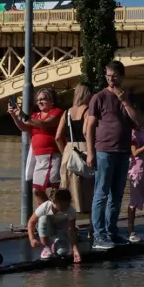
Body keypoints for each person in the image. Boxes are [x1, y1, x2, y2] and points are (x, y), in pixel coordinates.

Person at [84, 61, 136, 250]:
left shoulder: (128, 97)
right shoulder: (98, 97)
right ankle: (99, 235)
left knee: (117, 195)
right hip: (104, 150)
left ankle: (112, 231)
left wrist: (124, 100)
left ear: (122, 76)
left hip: (123, 151)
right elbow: (89, 126)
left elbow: (137, 120)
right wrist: (90, 152)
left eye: (114, 76)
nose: (111, 79)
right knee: (101, 194)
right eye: (108, 76)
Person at [8, 86, 62, 201]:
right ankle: (45, 214)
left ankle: (55, 214)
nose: (40, 102)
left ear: (51, 100)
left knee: (53, 191)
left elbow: (43, 124)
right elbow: (25, 128)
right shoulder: (35, 116)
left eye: (43, 99)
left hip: (52, 155)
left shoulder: (57, 112)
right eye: (38, 100)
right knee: (36, 190)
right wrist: (14, 116)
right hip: (38, 158)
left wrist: (23, 115)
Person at [57, 84, 93, 218]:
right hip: (84, 150)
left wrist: (65, 152)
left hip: (69, 152)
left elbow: (58, 137)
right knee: (88, 192)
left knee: (68, 192)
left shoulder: (66, 113)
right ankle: (91, 228)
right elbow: (87, 132)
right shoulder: (88, 111)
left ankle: (70, 227)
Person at [27, 186, 82, 264]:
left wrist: (75, 250)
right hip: (48, 227)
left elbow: (71, 230)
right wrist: (32, 239)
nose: (64, 208)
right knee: (43, 218)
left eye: (66, 206)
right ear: (53, 201)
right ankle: (46, 247)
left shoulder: (70, 210)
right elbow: (31, 222)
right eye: (61, 206)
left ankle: (56, 243)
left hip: (61, 228)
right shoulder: (45, 206)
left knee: (62, 252)